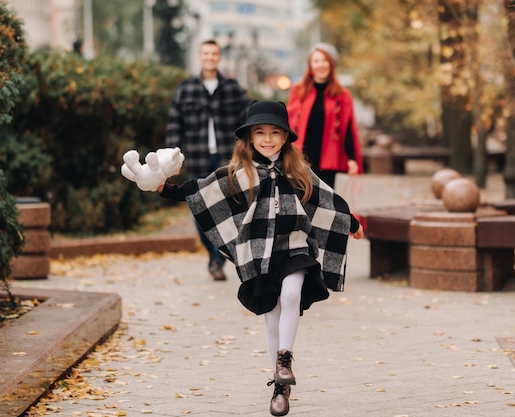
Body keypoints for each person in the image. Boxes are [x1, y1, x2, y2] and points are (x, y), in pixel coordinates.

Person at [123, 101, 364, 416]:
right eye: (260, 132)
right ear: (250, 137)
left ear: (285, 137)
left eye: (275, 132)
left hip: (295, 246)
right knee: (272, 313)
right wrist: (162, 188)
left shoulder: (296, 170)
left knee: (291, 294)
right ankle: (279, 386)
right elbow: (200, 190)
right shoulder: (241, 172)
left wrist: (353, 224)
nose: (267, 139)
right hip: (261, 253)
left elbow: (325, 198)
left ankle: (285, 360)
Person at [166, 39, 251, 281]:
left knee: (226, 207)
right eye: (206, 53)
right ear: (200, 56)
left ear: (219, 57)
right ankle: (213, 254)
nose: (210, 57)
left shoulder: (232, 88)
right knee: (199, 208)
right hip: (198, 156)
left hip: (227, 158)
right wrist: (173, 157)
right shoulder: (186, 89)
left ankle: (216, 259)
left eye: (214, 53)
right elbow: (175, 124)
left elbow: (249, 117)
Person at [286, 42, 363, 189]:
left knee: (325, 202)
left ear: (332, 64)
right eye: (316, 61)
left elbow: (348, 128)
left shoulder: (342, 95)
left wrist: (352, 158)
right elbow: (289, 122)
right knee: (300, 198)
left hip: (329, 159)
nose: (321, 64)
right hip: (301, 158)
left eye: (325, 60)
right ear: (310, 65)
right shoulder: (298, 91)